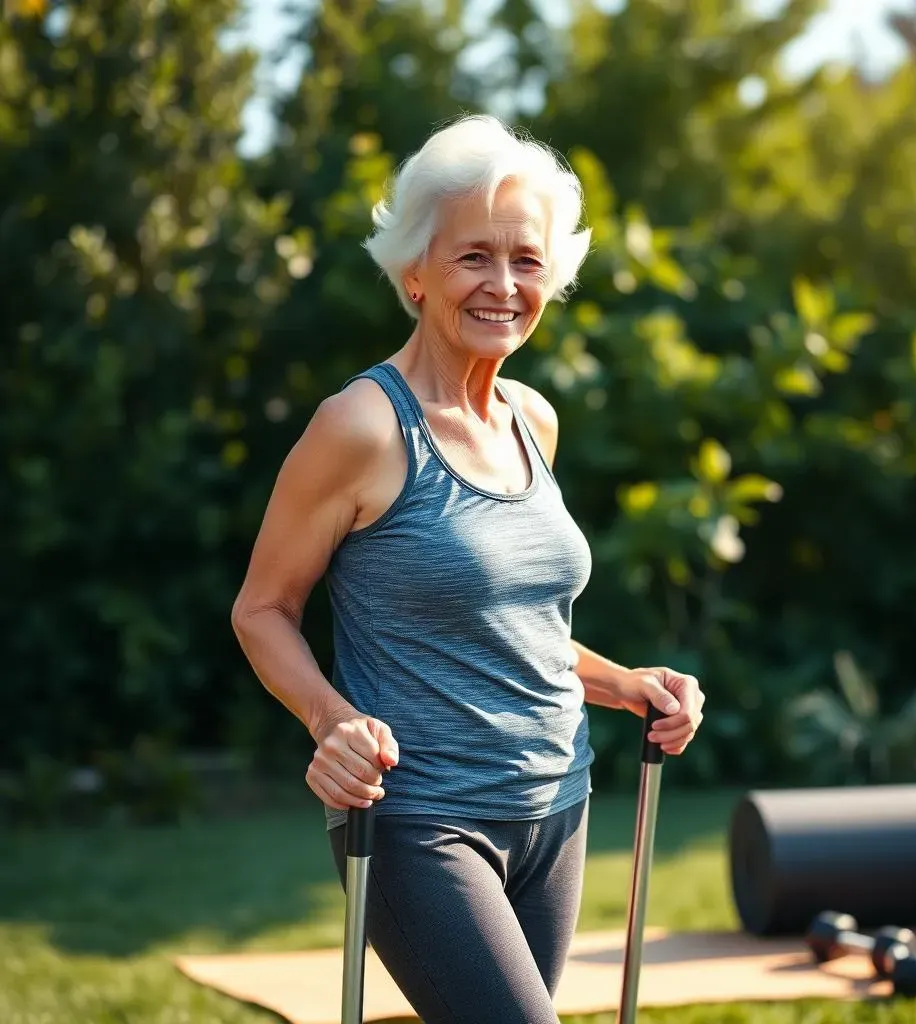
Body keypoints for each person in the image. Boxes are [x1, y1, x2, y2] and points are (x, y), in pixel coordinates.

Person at [230, 114, 705, 1024]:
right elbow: (263, 608)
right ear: (414, 271)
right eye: (472, 258)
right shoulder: (363, 428)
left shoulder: (535, 418)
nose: (503, 285)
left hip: (558, 806)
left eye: (526, 260)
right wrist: (329, 720)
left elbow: (520, 628)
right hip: (422, 818)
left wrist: (627, 684)